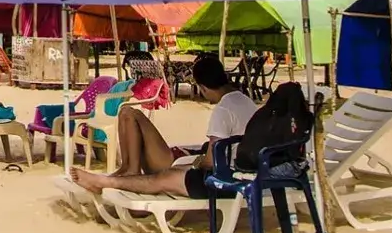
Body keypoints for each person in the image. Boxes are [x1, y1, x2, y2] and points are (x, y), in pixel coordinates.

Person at [70, 56, 257, 200]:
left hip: (218, 174)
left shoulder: (223, 109)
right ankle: (128, 169)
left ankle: (116, 176)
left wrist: (193, 161)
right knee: (127, 112)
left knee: (129, 114)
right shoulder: (245, 102)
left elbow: (212, 161)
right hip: (234, 169)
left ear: (203, 87)